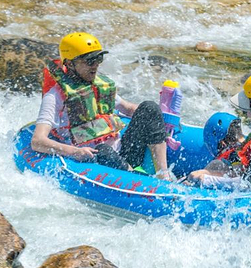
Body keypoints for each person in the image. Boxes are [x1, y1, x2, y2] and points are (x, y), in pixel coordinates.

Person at [31, 32, 173, 180]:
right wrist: (74, 152)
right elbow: (37, 141)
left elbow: (128, 108)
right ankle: (138, 179)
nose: (96, 65)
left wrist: (159, 119)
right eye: (89, 61)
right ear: (70, 63)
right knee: (103, 150)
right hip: (96, 161)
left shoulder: (99, 85)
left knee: (149, 107)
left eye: (99, 58)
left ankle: (164, 175)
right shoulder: (54, 97)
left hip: (124, 151)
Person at [188, 112, 245, 188]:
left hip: (246, 184)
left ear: (221, 143)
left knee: (196, 175)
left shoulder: (233, 153)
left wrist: (205, 175)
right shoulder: (250, 143)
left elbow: (238, 175)